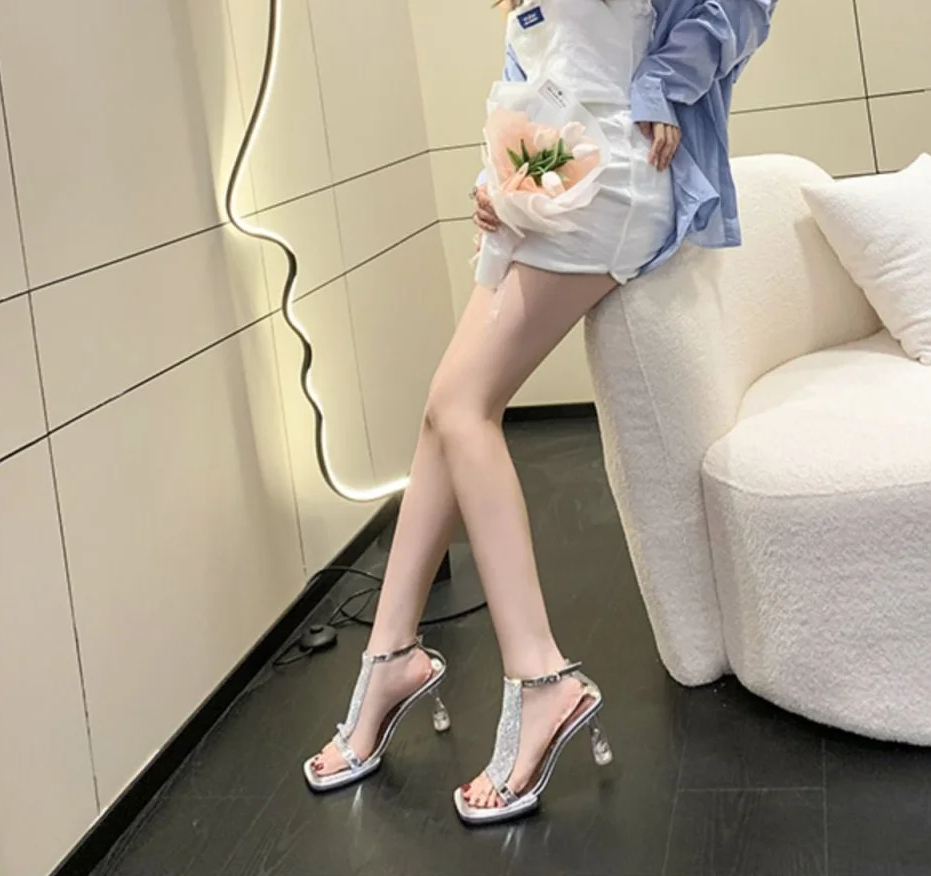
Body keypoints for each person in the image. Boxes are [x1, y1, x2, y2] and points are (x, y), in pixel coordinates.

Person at [304, 0, 775, 824]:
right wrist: (495, 175)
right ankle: (390, 655)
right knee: (443, 412)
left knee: (462, 407)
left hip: (616, 174)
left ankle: (541, 676)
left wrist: (666, 87)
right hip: (552, 176)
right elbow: (536, 62)